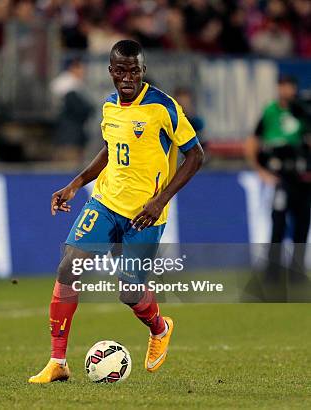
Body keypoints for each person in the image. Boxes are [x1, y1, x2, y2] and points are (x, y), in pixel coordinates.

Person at [28, 40, 204, 383]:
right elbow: (110, 150)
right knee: (68, 266)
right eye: (120, 71)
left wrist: (160, 200)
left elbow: (195, 155)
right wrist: (76, 183)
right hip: (106, 203)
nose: (127, 77)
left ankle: (160, 327)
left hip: (146, 214)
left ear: (143, 71)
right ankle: (57, 361)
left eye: (134, 71)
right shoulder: (109, 107)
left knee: (129, 291)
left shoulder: (163, 107)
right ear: (111, 71)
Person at [245, 75, 310, 284]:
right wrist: (260, 171)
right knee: (279, 221)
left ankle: (296, 270)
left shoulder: (303, 111)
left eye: (289, 86)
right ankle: (273, 270)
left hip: (302, 176)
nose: (286, 90)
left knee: (302, 222)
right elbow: (253, 142)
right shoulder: (270, 111)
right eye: (282, 86)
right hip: (281, 176)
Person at [50, 57, 94, 163]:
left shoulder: (76, 85)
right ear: (73, 68)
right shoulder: (68, 87)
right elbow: (81, 109)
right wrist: (89, 109)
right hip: (70, 137)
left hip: (72, 134)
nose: (83, 71)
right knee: (69, 166)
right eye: (80, 68)